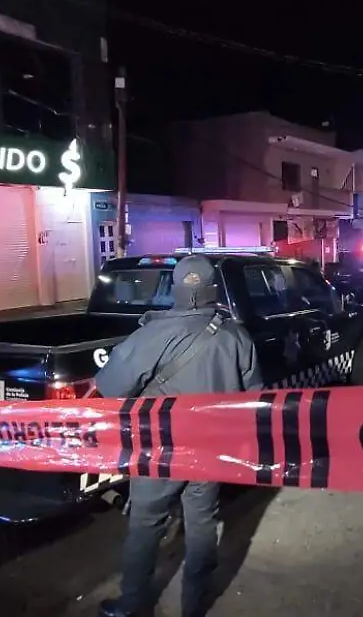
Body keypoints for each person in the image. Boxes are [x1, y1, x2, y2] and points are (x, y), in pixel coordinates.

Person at [95, 255, 264, 617]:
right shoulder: (235, 335)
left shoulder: (153, 334)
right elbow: (255, 399)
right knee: (202, 522)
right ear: (212, 291)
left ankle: (133, 604)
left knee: (146, 524)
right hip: (210, 448)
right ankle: (195, 603)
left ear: (175, 290)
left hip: (160, 450)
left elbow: (109, 385)